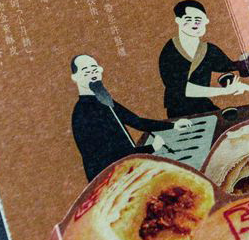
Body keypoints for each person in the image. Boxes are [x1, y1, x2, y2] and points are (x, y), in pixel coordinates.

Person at [68, 53, 173, 181]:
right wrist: (151, 148)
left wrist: (173, 125)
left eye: (94, 69)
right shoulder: (83, 112)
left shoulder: (104, 100)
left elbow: (137, 121)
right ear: (75, 77)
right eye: (86, 71)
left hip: (127, 169)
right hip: (111, 179)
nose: (92, 73)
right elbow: (108, 156)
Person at [157, 0, 249, 119]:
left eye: (198, 20)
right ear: (178, 21)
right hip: (179, 111)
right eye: (188, 20)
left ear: (206, 21)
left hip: (203, 104)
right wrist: (224, 91)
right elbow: (183, 89)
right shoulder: (170, 51)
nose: (194, 24)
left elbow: (230, 66)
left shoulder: (208, 49)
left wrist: (247, 60)